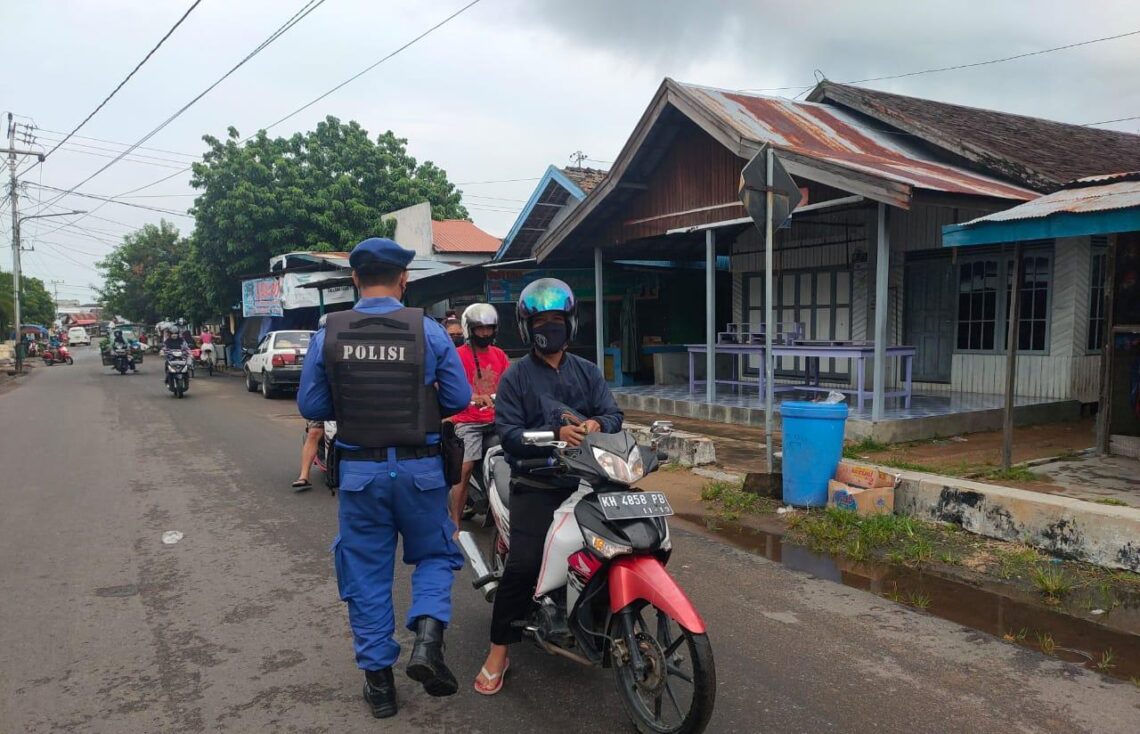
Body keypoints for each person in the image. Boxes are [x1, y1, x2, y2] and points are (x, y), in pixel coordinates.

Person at [298, 237, 471, 720]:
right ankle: (428, 643)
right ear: (404, 279)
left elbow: (312, 406)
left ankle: (381, 688)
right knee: (436, 554)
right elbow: (457, 399)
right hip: (421, 471)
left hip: (360, 475)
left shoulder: (327, 332)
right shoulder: (430, 331)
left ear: (354, 278)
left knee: (367, 576)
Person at [473, 278, 623, 695]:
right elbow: (508, 434)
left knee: (620, 543)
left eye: (557, 320)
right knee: (522, 564)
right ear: (526, 326)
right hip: (536, 481)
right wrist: (556, 433)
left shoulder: (588, 372)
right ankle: (499, 650)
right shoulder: (517, 377)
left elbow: (613, 415)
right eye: (542, 320)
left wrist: (596, 424)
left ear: (570, 323)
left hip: (589, 480)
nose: (550, 328)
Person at [447, 303, 510, 530]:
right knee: (463, 470)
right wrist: (473, 396)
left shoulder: (500, 355)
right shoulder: (457, 356)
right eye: (479, 329)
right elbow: (447, 386)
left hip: (497, 419)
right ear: (469, 329)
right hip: (468, 420)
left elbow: (509, 384)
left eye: (489, 328)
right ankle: (453, 522)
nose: (484, 333)